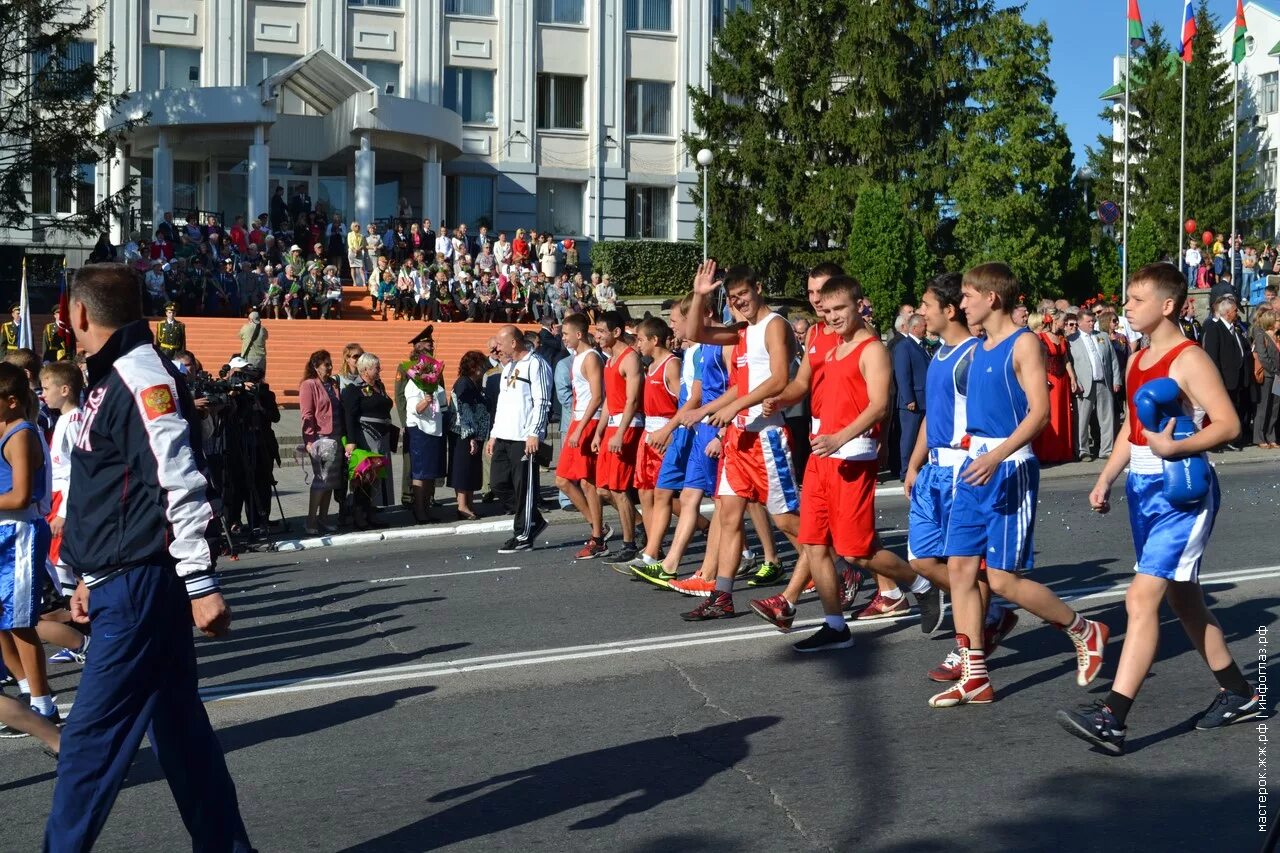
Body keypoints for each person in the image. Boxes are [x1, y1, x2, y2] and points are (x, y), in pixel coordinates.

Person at [48, 263, 253, 851]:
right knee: (181, 737)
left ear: (79, 314)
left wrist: (199, 582)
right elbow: (104, 487)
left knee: (88, 744)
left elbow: (176, 479)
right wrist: (83, 575)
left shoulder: (140, 376)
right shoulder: (109, 377)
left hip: (140, 585)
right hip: (119, 578)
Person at [1057, 262, 1261, 755]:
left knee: (1141, 599)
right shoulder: (1136, 359)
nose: (1126, 307)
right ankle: (1238, 693)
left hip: (1182, 495)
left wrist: (1177, 450)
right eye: (1126, 299)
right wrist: (1106, 476)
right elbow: (1132, 427)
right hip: (1142, 490)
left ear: (1167, 305)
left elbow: (1229, 424)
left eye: (1136, 299)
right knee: (1183, 600)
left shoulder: (1189, 358)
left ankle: (1113, 716)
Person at [928, 262, 1108, 709]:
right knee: (959, 570)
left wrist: (995, 455)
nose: (962, 303)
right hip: (975, 466)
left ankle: (1084, 629)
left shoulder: (1023, 343)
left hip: (1008, 468)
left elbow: (1040, 414)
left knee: (1004, 580)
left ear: (992, 298)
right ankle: (975, 676)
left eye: (968, 295)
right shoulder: (980, 347)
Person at [680, 262, 805, 622]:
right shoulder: (744, 331)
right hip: (739, 436)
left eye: (743, 295)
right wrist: (701, 293)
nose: (739, 303)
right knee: (729, 515)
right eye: (733, 298)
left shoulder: (774, 325)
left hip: (767, 435)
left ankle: (839, 566)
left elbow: (780, 378)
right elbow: (697, 334)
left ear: (759, 288)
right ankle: (722, 596)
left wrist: (735, 405)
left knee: (785, 522)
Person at [487, 325, 552, 553]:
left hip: (524, 437)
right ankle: (533, 519)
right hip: (504, 435)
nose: (497, 348)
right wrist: (494, 434)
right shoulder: (508, 367)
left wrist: (535, 432)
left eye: (500, 344)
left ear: (513, 343)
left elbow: (542, 401)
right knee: (498, 484)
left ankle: (523, 534)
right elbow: (502, 404)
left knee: (523, 487)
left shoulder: (536, 364)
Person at [590, 311, 644, 563]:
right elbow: (610, 401)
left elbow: (632, 400)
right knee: (602, 489)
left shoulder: (629, 358)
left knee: (619, 489)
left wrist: (621, 432)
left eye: (601, 331)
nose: (597, 336)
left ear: (616, 332)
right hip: (612, 427)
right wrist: (599, 432)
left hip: (628, 425)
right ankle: (641, 522)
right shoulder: (609, 361)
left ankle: (629, 543)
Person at [554, 313, 608, 557]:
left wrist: (580, 427)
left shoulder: (591, 358)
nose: (563, 338)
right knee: (564, 480)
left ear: (578, 334)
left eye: (565, 334)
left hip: (588, 421)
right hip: (579, 419)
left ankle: (598, 536)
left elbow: (597, 397)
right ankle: (597, 527)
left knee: (588, 483)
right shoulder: (576, 357)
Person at [630, 316, 681, 569]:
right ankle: (652, 549)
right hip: (648, 436)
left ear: (654, 339)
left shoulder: (672, 365)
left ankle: (705, 526)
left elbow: (684, 404)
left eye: (640, 339)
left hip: (665, 436)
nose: (637, 344)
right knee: (645, 494)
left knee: (666, 496)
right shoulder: (650, 367)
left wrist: (673, 432)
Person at [342, 352, 395, 527]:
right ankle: (359, 515)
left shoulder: (379, 386)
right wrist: (351, 441)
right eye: (376, 367)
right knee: (363, 477)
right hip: (365, 438)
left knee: (375, 477)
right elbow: (349, 416)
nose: (380, 370)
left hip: (380, 438)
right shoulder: (353, 389)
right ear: (365, 370)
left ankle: (371, 513)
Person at [299, 350, 347, 535]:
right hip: (320, 438)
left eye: (330, 363)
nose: (330, 367)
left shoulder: (332, 384)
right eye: (326, 364)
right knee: (321, 479)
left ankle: (324, 518)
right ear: (315, 366)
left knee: (331, 481)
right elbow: (307, 414)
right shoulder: (308, 385)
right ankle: (310, 519)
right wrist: (309, 439)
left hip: (335, 436)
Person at [403, 342, 449, 524]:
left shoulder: (433, 381)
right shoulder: (414, 384)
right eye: (427, 358)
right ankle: (419, 510)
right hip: (420, 430)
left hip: (434, 430)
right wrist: (426, 400)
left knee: (430, 472)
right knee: (421, 473)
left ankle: (427, 508)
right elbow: (415, 409)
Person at [1200, 290, 1249, 451]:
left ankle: (1229, 439)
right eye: (1235, 311)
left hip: (1235, 379)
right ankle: (1217, 443)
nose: (1237, 313)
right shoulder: (1215, 328)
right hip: (1223, 379)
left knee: (1232, 410)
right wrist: (1216, 379)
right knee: (1220, 413)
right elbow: (1213, 357)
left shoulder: (1234, 329)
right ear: (1227, 312)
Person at [1069, 309, 1120, 462]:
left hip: (1103, 381)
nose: (1092, 324)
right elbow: (1070, 364)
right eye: (1088, 321)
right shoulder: (1071, 340)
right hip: (1084, 384)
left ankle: (1106, 449)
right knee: (1082, 419)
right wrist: (1075, 382)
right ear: (1079, 323)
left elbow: (1113, 360)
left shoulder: (1102, 336)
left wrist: (1116, 380)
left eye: (1093, 321)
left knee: (1107, 418)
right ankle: (1082, 450)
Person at [1030, 309, 1076, 464]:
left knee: (1063, 414)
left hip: (1063, 380)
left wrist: (1073, 377)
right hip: (1049, 379)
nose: (1064, 324)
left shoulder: (1062, 338)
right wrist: (1042, 378)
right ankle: (1046, 453)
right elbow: (1036, 360)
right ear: (1055, 321)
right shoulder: (1040, 338)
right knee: (1050, 414)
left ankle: (1062, 452)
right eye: (1063, 321)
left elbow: (1066, 359)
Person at [449, 351, 491, 520]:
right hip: (463, 434)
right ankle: (462, 506)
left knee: (472, 469)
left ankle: (470, 504)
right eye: (481, 365)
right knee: (463, 469)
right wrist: (471, 436)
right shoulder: (463, 383)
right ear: (473, 367)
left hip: (474, 434)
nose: (483, 369)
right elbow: (464, 411)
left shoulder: (474, 383)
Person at [892, 313, 930, 482]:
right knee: (908, 437)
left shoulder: (921, 346)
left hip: (923, 400)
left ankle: (918, 467)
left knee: (918, 437)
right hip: (912, 402)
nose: (926, 328)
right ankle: (906, 470)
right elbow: (902, 374)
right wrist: (909, 399)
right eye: (924, 326)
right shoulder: (904, 346)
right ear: (915, 328)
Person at [1251, 310, 1280, 448]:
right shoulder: (1261, 336)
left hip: (1278, 377)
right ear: (1271, 322)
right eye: (1278, 320)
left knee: (1275, 407)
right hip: (1269, 376)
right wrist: (1275, 371)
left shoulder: (1278, 337)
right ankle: (1259, 438)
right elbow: (1263, 357)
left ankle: (1271, 436)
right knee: (1263, 407)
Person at [238, 310, 268, 375]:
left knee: (249, 378)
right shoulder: (263, 329)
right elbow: (266, 337)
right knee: (260, 378)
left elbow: (240, 336)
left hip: (249, 356)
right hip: (261, 357)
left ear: (250, 319)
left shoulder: (245, 327)